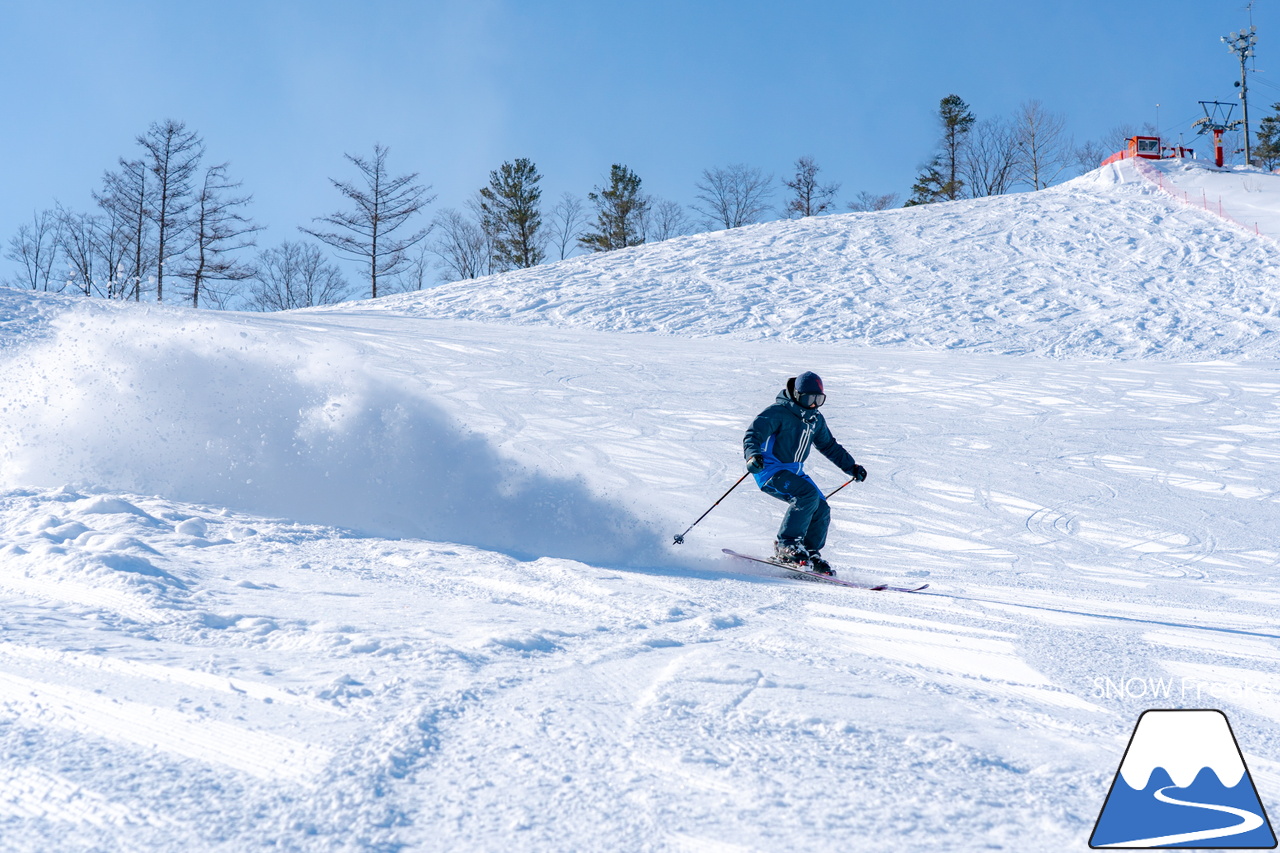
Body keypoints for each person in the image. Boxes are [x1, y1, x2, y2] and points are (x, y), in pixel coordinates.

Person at [742, 371, 866, 575]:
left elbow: (829, 446)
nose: (814, 404)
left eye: (819, 399)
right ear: (797, 395)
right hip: (770, 470)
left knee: (822, 507)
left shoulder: (815, 419)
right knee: (806, 495)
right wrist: (752, 456)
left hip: (794, 472)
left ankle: (809, 551)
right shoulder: (777, 412)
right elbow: (753, 434)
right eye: (809, 398)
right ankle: (787, 545)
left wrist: (851, 467)